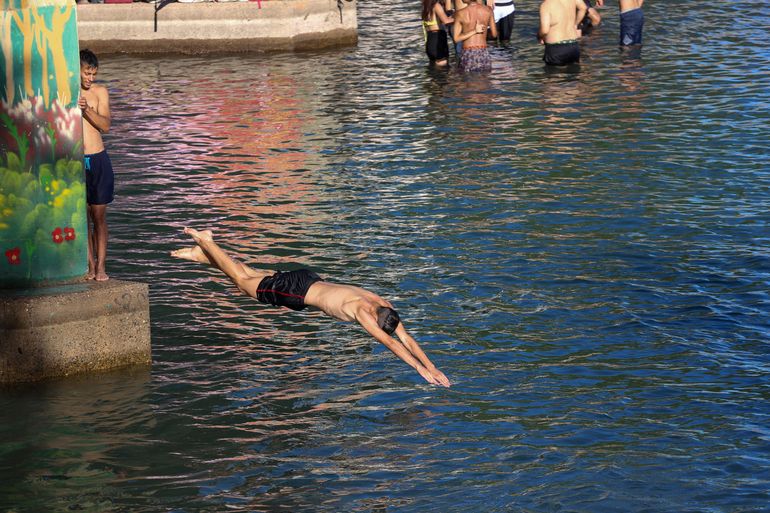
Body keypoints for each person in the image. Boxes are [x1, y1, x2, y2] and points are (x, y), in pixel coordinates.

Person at [171, 227, 452, 388]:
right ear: (377, 322)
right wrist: (419, 369)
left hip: (307, 278)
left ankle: (205, 256)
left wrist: (432, 366)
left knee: (254, 274)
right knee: (242, 283)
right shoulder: (364, 315)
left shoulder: (382, 305)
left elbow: (406, 338)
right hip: (297, 293)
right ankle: (207, 241)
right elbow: (394, 345)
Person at [79, 49, 113, 282]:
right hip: (75, 161)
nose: (91, 78)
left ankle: (101, 268)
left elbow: (106, 126)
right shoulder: (67, 92)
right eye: (87, 73)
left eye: (94, 74)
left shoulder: (100, 92)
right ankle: (89, 267)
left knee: (98, 216)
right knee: (82, 217)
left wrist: (86, 110)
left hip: (98, 158)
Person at [538, 0, 587, 66]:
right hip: (574, 45)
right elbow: (583, 8)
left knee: (553, 74)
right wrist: (575, 24)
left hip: (556, 48)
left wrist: (539, 36)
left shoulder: (546, 5)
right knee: (573, 74)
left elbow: (544, 30)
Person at [452, 0, 497, 72]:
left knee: (467, 80)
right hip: (483, 51)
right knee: (484, 80)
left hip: (468, 52)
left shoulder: (459, 13)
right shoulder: (488, 10)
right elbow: (494, 34)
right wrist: (482, 33)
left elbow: (456, 39)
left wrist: (474, 31)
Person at [422, 0, 454, 67]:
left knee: (434, 71)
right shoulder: (436, 6)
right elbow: (446, 21)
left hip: (430, 41)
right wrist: (460, 17)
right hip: (438, 41)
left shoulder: (426, 7)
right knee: (444, 71)